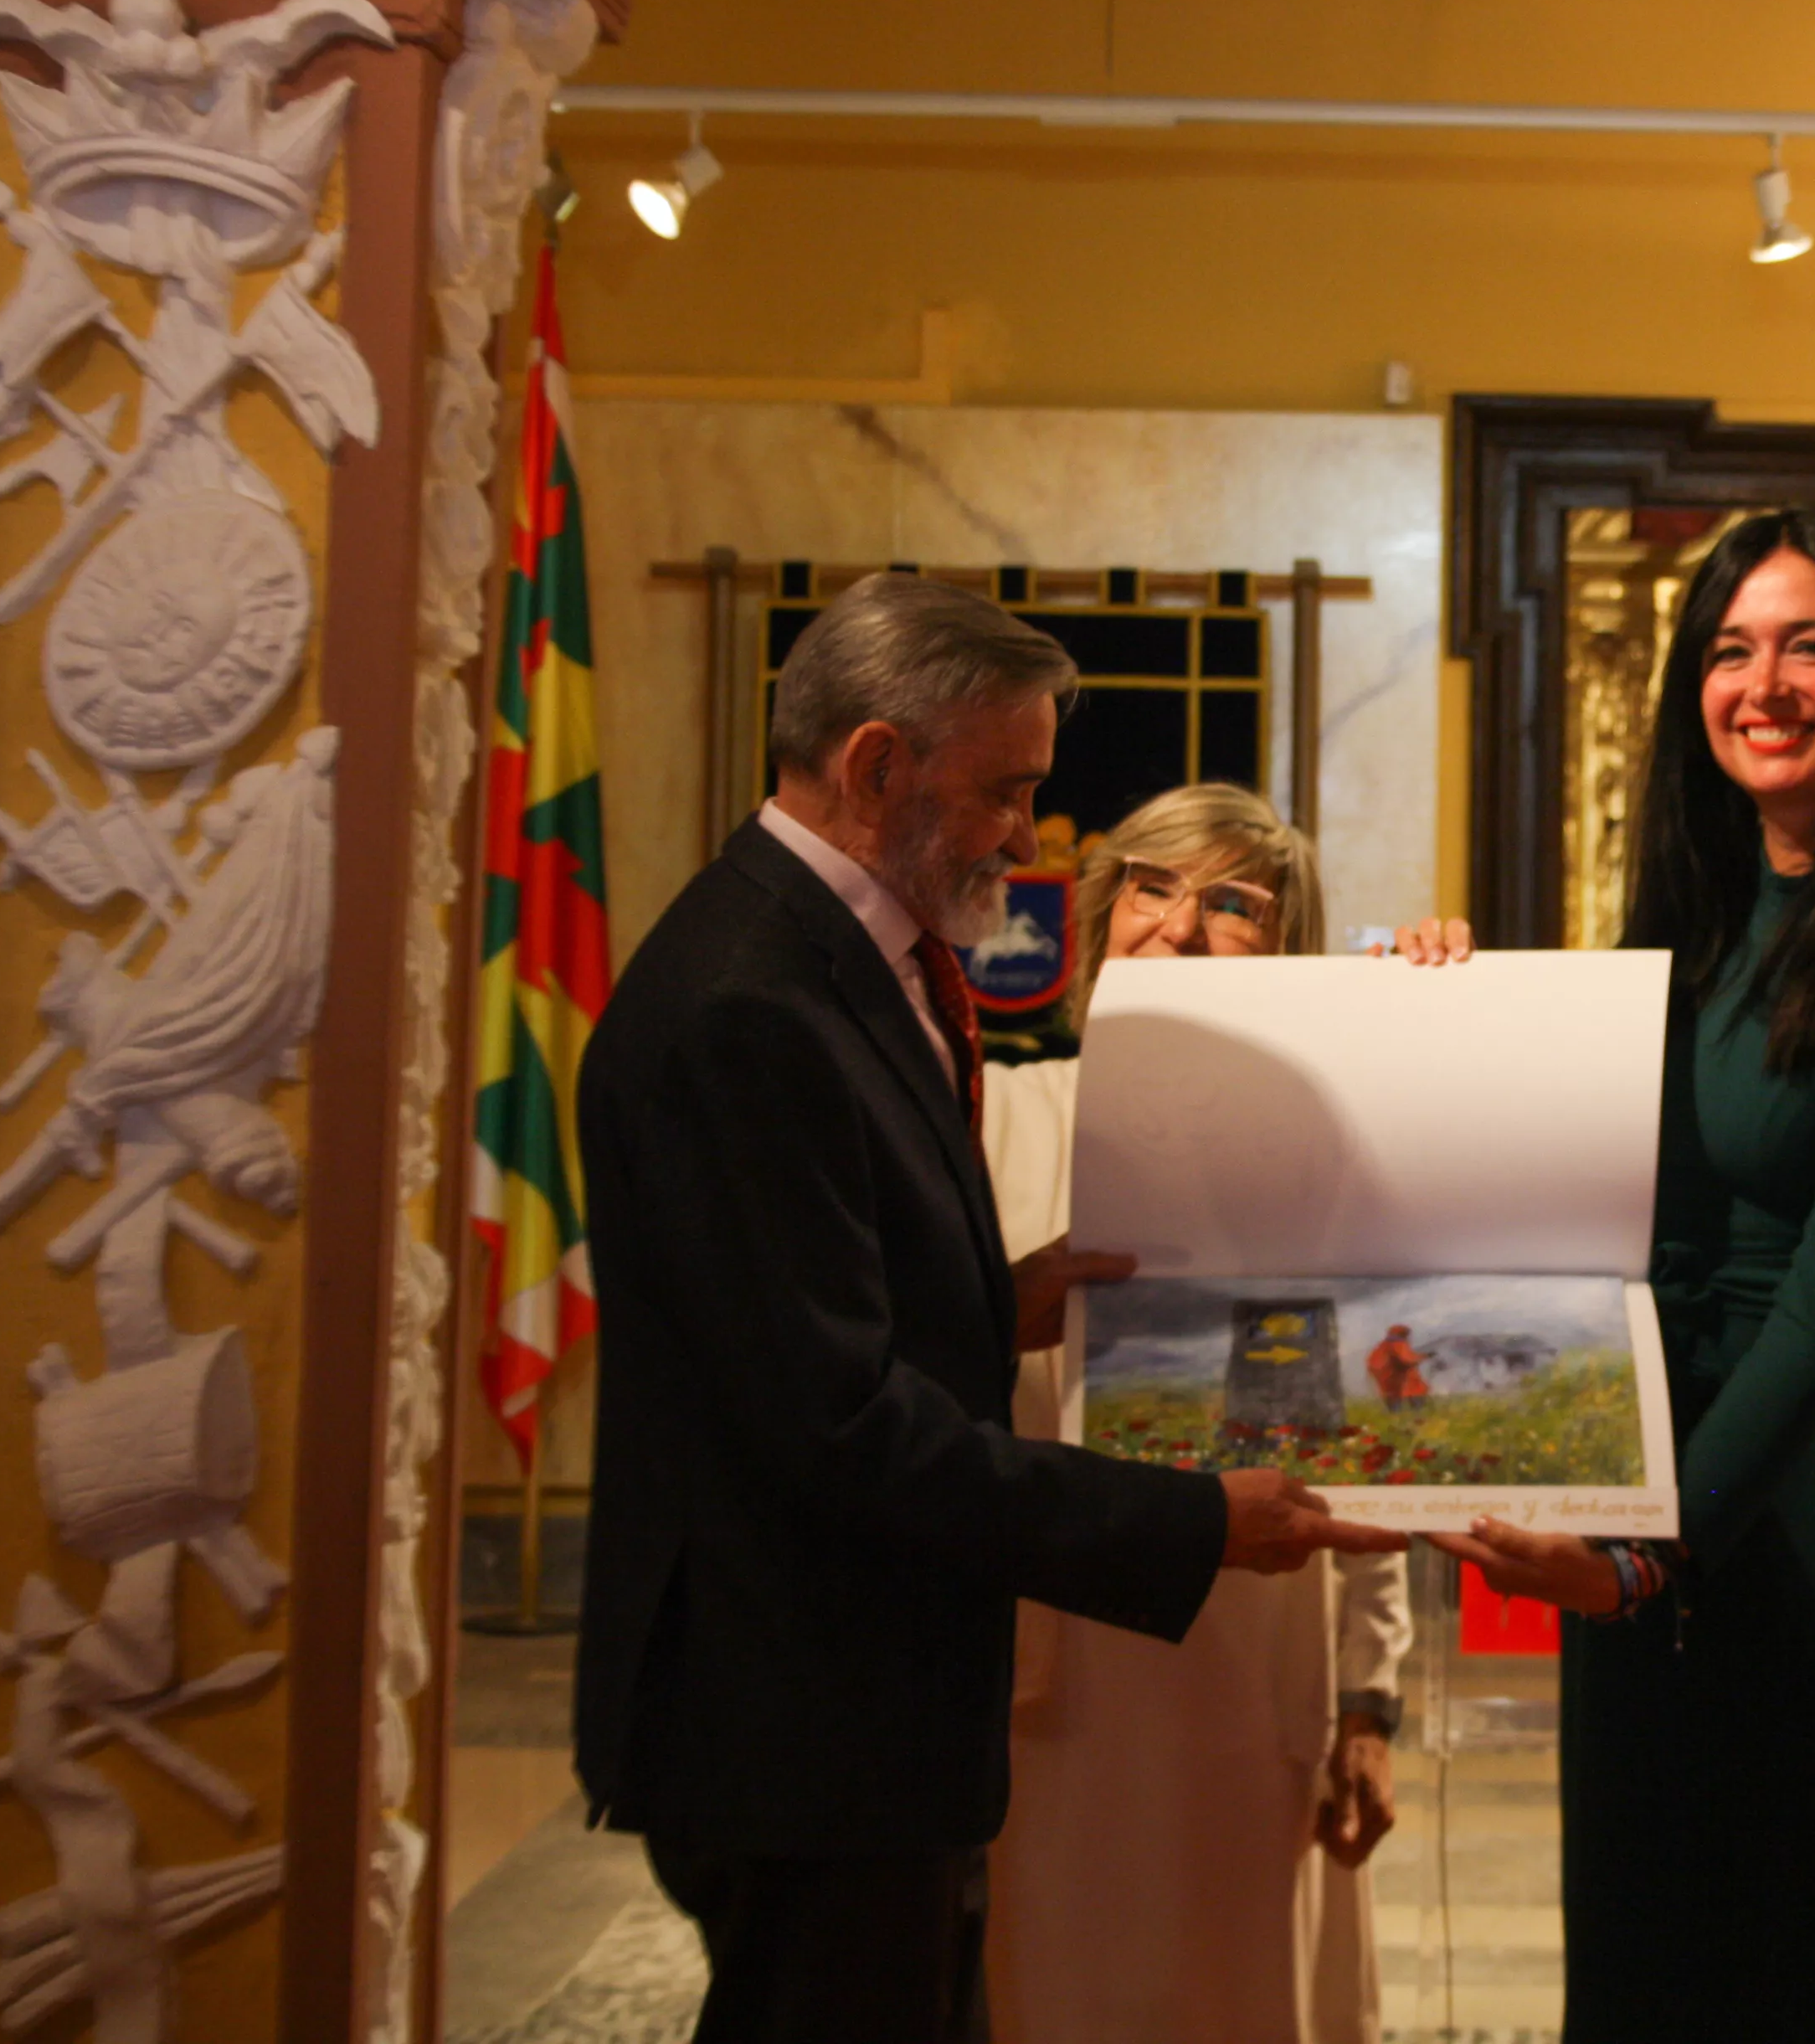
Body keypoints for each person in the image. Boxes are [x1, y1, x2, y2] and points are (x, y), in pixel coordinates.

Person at [574, 578, 1403, 2044]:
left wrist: (992, 1304)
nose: (1029, 837)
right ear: (881, 764)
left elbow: (829, 1321)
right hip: (812, 1714)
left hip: (892, 1708)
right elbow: (838, 1421)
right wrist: (1194, 1527)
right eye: (1007, 791)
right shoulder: (750, 1004)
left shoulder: (823, 969)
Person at [1433, 508, 1815, 2044]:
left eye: (1807, 643)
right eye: (1727, 650)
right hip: (1658, 1473)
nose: (1761, 683)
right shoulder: (1686, 920)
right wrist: (1434, 1017)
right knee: (1651, 1950)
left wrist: (1653, 1555)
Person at [979, 782, 1462, 2044]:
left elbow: (1368, 1447)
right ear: (1100, 916)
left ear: (1287, 952)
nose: (1181, 929)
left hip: (1252, 1669)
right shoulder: (993, 1120)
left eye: (1233, 904)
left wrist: (1371, 1703)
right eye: (1153, 887)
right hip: (1052, 1684)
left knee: (1244, 1999)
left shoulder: (1319, 1151)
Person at [1365, 1323, 1428, 1413]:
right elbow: (1407, 1360)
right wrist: (1423, 1358)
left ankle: (1396, 1416)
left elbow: (1372, 1362)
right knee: (1416, 1390)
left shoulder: (1383, 1345)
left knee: (1393, 1398)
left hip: (1387, 1378)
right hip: (1399, 1377)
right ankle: (1417, 1413)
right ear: (1403, 1334)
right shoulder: (1398, 1344)